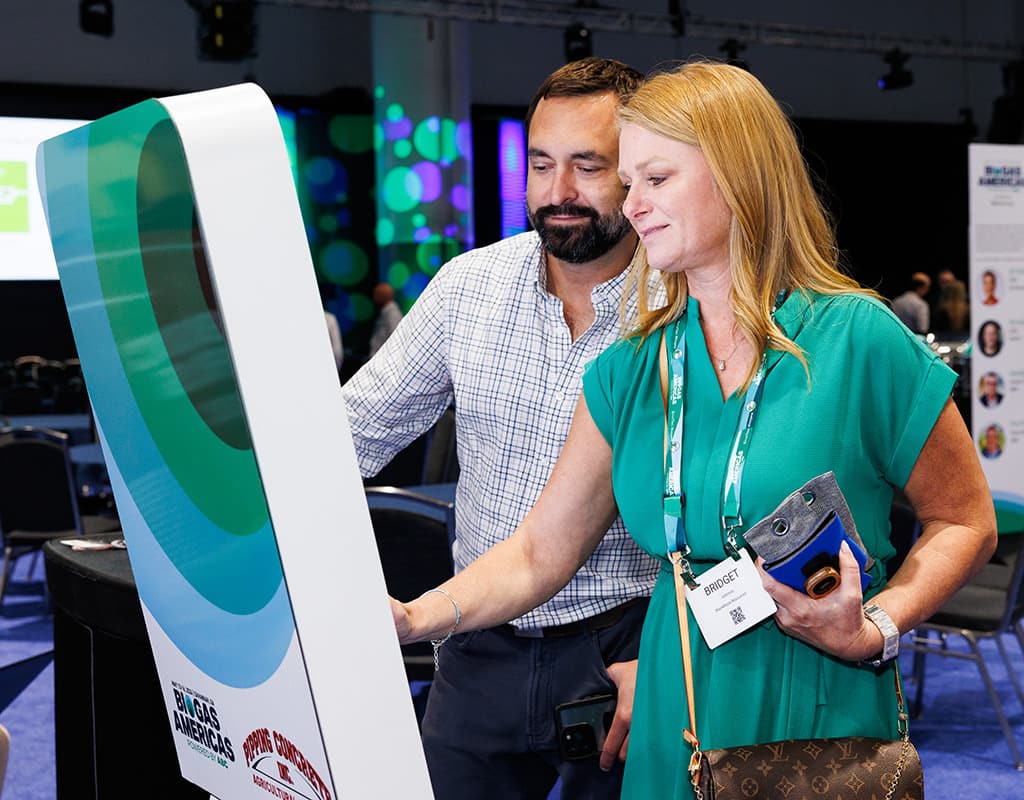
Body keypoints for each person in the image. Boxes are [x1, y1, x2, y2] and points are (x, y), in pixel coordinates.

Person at [391, 61, 997, 799]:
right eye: (630, 180)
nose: (631, 203)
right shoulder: (630, 369)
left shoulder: (858, 338)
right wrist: (415, 618)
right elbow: (537, 554)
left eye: (656, 178)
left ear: (738, 177)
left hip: (817, 703)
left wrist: (876, 627)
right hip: (673, 709)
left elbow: (965, 520)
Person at [342, 58, 656, 799]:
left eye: (588, 165)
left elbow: (737, 507)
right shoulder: (470, 286)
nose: (558, 193)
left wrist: (676, 655)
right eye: (541, 163)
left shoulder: (681, 305)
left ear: (638, 170)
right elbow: (352, 433)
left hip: (627, 650)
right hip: (478, 642)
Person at [367, 282, 404, 356]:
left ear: (383, 296)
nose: (374, 297)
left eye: (376, 294)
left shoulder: (393, 315)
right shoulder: (385, 312)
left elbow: (396, 341)